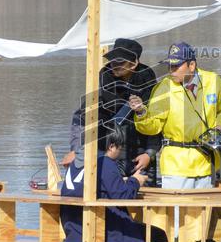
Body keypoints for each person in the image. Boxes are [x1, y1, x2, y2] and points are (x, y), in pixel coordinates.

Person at [60, 126, 192, 242]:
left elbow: (103, 188)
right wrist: (135, 181)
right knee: (157, 236)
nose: (120, 152)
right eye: (119, 148)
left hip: (74, 231)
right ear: (111, 146)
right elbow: (122, 195)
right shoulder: (104, 162)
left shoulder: (76, 164)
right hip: (102, 233)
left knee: (147, 232)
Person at [129, 41, 221, 189]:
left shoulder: (213, 81)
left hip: (206, 162)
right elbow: (153, 126)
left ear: (192, 65)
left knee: (204, 210)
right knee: (177, 211)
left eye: (176, 66)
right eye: (170, 66)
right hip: (176, 165)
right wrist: (141, 112)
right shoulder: (165, 87)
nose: (171, 70)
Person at [63, 38, 159, 181]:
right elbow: (80, 120)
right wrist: (76, 152)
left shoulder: (151, 88)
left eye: (120, 62)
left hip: (141, 157)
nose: (114, 64)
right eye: (113, 60)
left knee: (145, 200)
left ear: (134, 64)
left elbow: (158, 125)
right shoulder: (101, 86)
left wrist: (149, 154)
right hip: (108, 156)